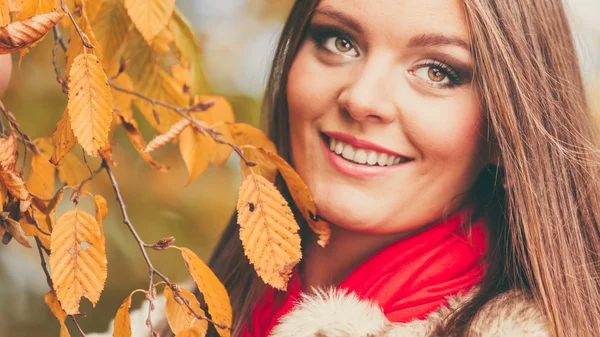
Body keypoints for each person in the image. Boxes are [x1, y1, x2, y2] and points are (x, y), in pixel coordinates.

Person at [191, 0, 600, 336]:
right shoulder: (175, 313)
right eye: (340, 41)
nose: (361, 98)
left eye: (437, 72)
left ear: (505, 130)